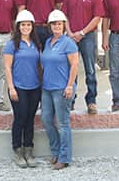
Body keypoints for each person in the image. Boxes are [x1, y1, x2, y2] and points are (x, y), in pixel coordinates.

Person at [62, 0, 104, 114]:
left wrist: (82, 33)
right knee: (71, 69)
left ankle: (91, 101)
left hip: (87, 37)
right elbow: (64, 15)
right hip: (71, 37)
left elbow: (97, 17)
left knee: (90, 70)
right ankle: (71, 99)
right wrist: (70, 33)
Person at [40, 10, 79, 170]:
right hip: (47, 88)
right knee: (46, 119)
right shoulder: (48, 42)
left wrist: (70, 85)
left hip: (62, 88)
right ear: (50, 26)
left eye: (59, 23)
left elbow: (75, 65)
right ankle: (55, 151)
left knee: (63, 123)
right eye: (54, 24)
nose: (56, 26)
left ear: (64, 25)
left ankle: (64, 157)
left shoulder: (69, 43)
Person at [3, 10, 42, 168]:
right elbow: (7, 67)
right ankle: (17, 150)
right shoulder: (11, 44)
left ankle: (29, 149)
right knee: (20, 118)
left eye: (28, 25)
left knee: (30, 119)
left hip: (34, 87)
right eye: (23, 25)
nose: (26, 27)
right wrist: (11, 88)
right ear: (18, 27)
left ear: (32, 26)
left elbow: (40, 66)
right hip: (18, 87)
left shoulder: (36, 44)